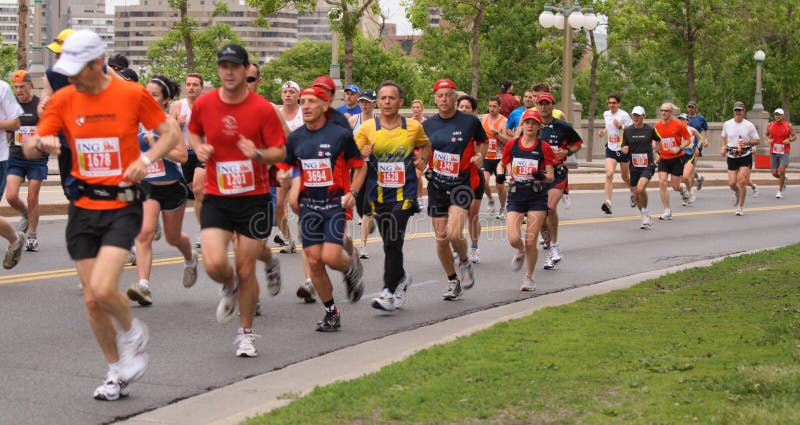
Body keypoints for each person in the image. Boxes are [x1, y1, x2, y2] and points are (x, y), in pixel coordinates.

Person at [27, 30, 180, 400]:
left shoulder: (131, 94)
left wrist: (146, 159)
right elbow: (32, 146)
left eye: (78, 68)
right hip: (83, 206)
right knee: (92, 299)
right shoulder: (64, 98)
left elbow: (170, 133)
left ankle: (131, 332)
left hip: (121, 203)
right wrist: (41, 144)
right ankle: (116, 370)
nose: (71, 77)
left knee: (101, 287)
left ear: (98, 62)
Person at [188, 44, 286, 357]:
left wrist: (257, 154)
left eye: (234, 66)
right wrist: (199, 149)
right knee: (215, 263)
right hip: (218, 196)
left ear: (246, 70)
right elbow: (193, 131)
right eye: (223, 66)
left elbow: (280, 151)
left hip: (253, 199)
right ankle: (227, 285)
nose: (228, 72)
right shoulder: (204, 104)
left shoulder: (262, 109)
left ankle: (245, 334)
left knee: (246, 269)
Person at [282, 85, 366, 331]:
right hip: (309, 207)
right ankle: (331, 311)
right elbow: (288, 167)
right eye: (302, 102)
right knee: (315, 262)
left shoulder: (339, 135)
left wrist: (353, 192)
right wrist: (285, 179)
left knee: (330, 257)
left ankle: (350, 268)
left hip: (333, 205)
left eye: (311, 101)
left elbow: (360, 166)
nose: (305, 106)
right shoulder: (295, 138)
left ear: (324, 106)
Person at [355, 81, 429, 312]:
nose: (387, 102)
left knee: (394, 239)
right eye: (383, 98)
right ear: (378, 102)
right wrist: (362, 152)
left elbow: (425, 146)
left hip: (404, 193)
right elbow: (352, 156)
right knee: (389, 243)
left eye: (391, 98)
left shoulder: (413, 126)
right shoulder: (367, 128)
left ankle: (388, 291)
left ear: (400, 102)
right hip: (377, 194)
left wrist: (422, 161)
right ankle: (401, 278)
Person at [127, 75, 197, 307]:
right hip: (148, 186)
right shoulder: (136, 121)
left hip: (171, 187)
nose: (148, 97)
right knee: (145, 233)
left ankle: (190, 259)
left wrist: (158, 147)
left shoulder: (169, 123)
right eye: (146, 93)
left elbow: (182, 156)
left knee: (173, 237)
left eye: (154, 94)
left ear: (165, 99)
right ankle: (143, 285)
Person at [424, 79, 486, 300]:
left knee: (453, 233)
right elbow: (422, 151)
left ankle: (465, 259)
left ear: (454, 97)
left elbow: (483, 141)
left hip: (462, 184)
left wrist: (480, 156)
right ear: (435, 98)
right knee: (441, 239)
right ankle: (453, 281)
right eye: (440, 95)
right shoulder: (427, 125)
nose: (444, 99)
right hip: (437, 186)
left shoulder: (469, 121)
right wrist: (421, 163)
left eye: (448, 95)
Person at [503, 110, 555, 291]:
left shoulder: (544, 148)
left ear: (539, 126)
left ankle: (529, 278)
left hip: (536, 196)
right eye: (527, 122)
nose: (530, 126)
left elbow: (550, 176)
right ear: (522, 125)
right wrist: (510, 173)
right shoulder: (512, 145)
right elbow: (505, 163)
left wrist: (540, 176)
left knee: (531, 240)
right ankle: (520, 250)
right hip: (516, 195)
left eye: (534, 123)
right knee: (513, 238)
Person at [535, 92, 582, 269]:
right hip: (538, 176)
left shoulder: (563, 127)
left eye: (547, 103)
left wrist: (567, 152)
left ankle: (554, 246)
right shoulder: (532, 126)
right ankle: (550, 249)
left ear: (553, 106)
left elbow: (578, 144)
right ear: (537, 106)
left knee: (549, 207)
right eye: (541, 103)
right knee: (540, 214)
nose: (544, 107)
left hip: (557, 174)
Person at [6, 70, 44, 251]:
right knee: (11, 196)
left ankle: (32, 236)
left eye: (22, 86)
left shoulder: (38, 106)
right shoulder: (11, 104)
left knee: (32, 197)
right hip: (15, 157)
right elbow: (7, 131)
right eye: (16, 87)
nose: (19, 90)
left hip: (36, 159)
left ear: (31, 85)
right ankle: (25, 214)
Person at [168, 72, 205, 248]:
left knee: (198, 189)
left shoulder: (207, 105)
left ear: (201, 87)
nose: (191, 87)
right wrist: (178, 124)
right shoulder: (177, 106)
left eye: (195, 84)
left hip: (202, 154)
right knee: (191, 192)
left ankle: (201, 231)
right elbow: (167, 131)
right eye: (189, 84)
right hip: (183, 156)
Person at [456, 94, 486, 264]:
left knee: (472, 214)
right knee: (457, 214)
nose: (464, 110)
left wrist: (479, 155)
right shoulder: (451, 126)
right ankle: (458, 245)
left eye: (468, 107)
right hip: (457, 178)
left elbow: (484, 144)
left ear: (473, 111)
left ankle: (474, 246)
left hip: (474, 175)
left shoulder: (476, 128)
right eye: (461, 107)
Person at [349, 89, 378, 259]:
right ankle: (367, 218)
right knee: (359, 205)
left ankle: (362, 245)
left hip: (373, 168)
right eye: (362, 101)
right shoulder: (353, 121)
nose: (364, 105)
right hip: (357, 168)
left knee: (368, 206)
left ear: (374, 103)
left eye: (367, 101)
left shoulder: (379, 123)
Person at [621, 106, 660, 229]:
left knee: (640, 188)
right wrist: (624, 149)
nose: (636, 118)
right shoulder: (627, 131)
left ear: (644, 116)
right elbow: (623, 146)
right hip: (634, 165)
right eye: (634, 115)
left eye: (638, 115)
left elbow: (658, 140)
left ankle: (645, 213)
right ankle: (644, 214)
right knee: (636, 193)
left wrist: (656, 150)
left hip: (648, 164)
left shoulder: (650, 129)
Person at [274, 80, 302, 253]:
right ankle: (288, 240)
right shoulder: (276, 113)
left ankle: (307, 223)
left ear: (298, 95)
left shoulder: (303, 113)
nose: (288, 95)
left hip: (299, 163)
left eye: (292, 92)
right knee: (278, 205)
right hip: (281, 164)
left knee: (294, 204)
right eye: (285, 92)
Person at [720, 101, 760, 216]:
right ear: (733, 111)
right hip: (732, 155)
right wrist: (723, 146)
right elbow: (723, 136)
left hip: (745, 155)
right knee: (732, 183)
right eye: (736, 110)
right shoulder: (727, 124)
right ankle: (737, 192)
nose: (738, 112)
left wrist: (747, 141)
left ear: (744, 112)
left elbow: (757, 140)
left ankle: (740, 207)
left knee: (742, 181)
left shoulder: (749, 125)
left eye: (740, 110)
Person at [653, 103, 691, 220]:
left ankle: (682, 189)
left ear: (671, 113)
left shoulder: (678, 125)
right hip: (664, 158)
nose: (663, 113)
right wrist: (656, 153)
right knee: (662, 182)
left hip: (676, 158)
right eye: (662, 110)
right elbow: (655, 142)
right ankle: (667, 210)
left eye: (666, 111)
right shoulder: (657, 126)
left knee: (675, 186)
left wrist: (679, 147)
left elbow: (688, 140)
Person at [598, 93, 634, 214]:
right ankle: (608, 202)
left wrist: (620, 127)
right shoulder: (606, 114)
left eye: (614, 103)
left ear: (618, 104)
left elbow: (631, 130)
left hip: (622, 149)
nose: (611, 105)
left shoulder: (624, 115)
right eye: (610, 103)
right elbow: (609, 127)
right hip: (611, 148)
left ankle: (633, 192)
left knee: (625, 177)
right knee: (609, 174)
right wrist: (604, 131)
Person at [481, 96, 508, 220]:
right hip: (487, 156)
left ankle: (503, 207)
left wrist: (497, 133)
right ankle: (491, 199)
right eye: (490, 106)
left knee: (500, 186)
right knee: (483, 181)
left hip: (499, 158)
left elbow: (508, 141)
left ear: (499, 107)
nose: (491, 109)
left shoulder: (503, 121)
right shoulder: (484, 118)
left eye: (494, 106)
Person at [765, 108, 795, 199]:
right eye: (776, 114)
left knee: (781, 170)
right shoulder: (770, 125)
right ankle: (783, 178)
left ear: (783, 116)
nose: (777, 116)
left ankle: (779, 191)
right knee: (774, 173)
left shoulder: (788, 125)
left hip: (784, 151)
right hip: (774, 151)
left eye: (779, 115)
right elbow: (766, 135)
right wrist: (768, 140)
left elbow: (794, 136)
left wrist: (789, 140)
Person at [676, 112, 704, 205]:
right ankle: (687, 194)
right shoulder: (675, 130)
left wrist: (697, 147)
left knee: (685, 176)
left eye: (683, 119)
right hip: (679, 154)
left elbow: (700, 139)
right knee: (681, 178)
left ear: (687, 121)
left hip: (689, 154)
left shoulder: (691, 129)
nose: (681, 121)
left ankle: (690, 191)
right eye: (680, 119)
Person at [686, 101, 709, 189]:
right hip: (685, 146)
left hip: (696, 146)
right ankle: (699, 177)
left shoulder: (700, 118)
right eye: (689, 107)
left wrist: (706, 139)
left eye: (692, 107)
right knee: (687, 168)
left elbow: (706, 129)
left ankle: (689, 191)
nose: (690, 109)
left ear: (696, 108)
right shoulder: (684, 118)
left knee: (691, 167)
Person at [409, 99, 426, 204]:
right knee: (412, 176)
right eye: (414, 107)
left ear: (422, 109)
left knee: (417, 175)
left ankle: (419, 198)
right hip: (411, 151)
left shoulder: (426, 122)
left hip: (422, 151)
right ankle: (414, 198)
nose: (415, 109)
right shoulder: (409, 122)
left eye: (417, 107)